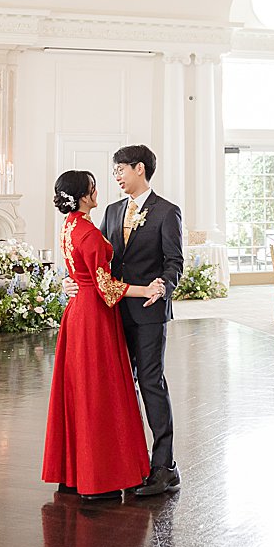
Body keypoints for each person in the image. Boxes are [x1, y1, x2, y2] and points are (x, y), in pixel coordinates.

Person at [64, 144, 184, 496]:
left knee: (150, 383)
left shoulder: (167, 212)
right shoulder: (113, 211)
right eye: (114, 171)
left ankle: (164, 467)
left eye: (120, 169)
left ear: (140, 169)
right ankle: (126, 465)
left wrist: (164, 286)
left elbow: (174, 261)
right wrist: (73, 280)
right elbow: (98, 261)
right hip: (112, 313)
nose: (115, 176)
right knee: (118, 387)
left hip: (148, 313)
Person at [42, 169, 165, 501]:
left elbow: (79, 272)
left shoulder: (69, 228)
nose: (98, 192)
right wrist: (146, 288)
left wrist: (72, 282)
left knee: (78, 390)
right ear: (84, 195)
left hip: (77, 312)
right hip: (94, 316)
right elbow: (107, 288)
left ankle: (73, 475)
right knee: (99, 393)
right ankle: (100, 480)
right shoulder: (89, 234)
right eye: (93, 188)